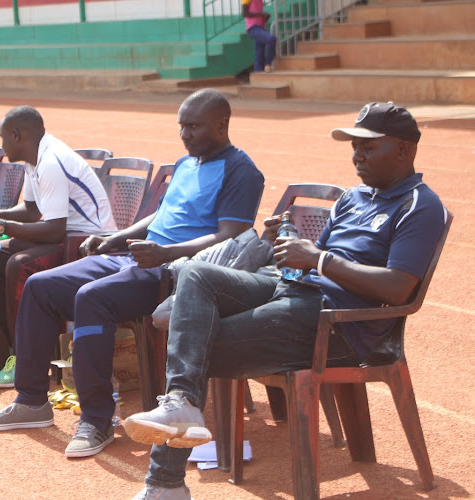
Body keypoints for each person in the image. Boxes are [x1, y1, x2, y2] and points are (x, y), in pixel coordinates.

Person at [123, 102, 447, 500]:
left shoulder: (419, 204)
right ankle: (180, 413)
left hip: (336, 324)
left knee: (191, 343)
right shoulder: (354, 198)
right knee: (196, 275)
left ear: (404, 149)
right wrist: (286, 244)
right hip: (293, 291)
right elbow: (312, 262)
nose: (357, 156)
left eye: (368, 147)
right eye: (354, 147)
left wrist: (319, 259)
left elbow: (398, 288)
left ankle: (165, 482)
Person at [0, 88, 265, 460]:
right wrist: (115, 238)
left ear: (222, 124)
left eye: (194, 127)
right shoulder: (186, 163)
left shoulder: (241, 171)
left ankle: (96, 419)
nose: (185, 135)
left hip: (179, 272)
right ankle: (31, 401)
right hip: (138, 257)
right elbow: (159, 217)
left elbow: (230, 236)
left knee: (92, 298)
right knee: (39, 286)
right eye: (182, 127)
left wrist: (165, 253)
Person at [0, 105, 116, 388]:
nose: (1, 145)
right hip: (64, 235)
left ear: (16, 134)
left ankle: (28, 359)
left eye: (2, 138)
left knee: (18, 264)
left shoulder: (51, 161)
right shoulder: (33, 159)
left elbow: (52, 230)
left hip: (85, 242)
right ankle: (11, 348)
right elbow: (31, 210)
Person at [242, 0, 277, 73]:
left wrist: (265, 17)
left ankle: (258, 74)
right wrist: (261, 15)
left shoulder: (260, 1)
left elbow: (258, 15)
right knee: (271, 39)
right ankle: (268, 63)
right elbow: (244, 13)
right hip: (253, 28)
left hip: (261, 28)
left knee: (259, 54)